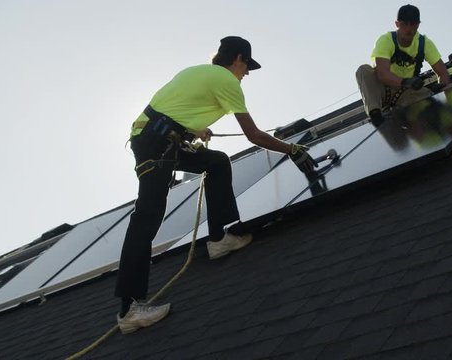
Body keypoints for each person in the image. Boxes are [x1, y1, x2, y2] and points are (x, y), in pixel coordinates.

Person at [114, 36, 317, 334]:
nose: (246, 74)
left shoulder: (196, 72)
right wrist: (293, 149)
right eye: (247, 66)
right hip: (158, 144)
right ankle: (129, 310)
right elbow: (254, 136)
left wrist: (196, 128)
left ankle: (219, 239)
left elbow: (172, 109)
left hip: (155, 137)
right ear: (237, 59)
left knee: (217, 162)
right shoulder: (226, 81)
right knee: (147, 216)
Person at [356, 4, 451, 127]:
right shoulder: (386, 40)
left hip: (406, 93)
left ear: (418, 25)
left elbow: (443, 73)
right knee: (363, 70)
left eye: (413, 24)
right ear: (397, 24)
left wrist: (441, 89)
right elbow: (382, 74)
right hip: (384, 91)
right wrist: (406, 82)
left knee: (429, 102)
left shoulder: (424, 43)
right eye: (404, 24)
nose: (409, 28)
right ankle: (376, 115)